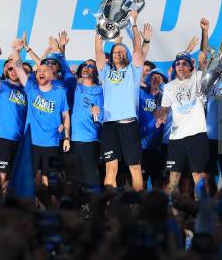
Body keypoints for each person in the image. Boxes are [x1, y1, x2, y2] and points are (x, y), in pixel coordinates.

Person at [95, 10, 144, 190]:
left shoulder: (133, 71)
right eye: (115, 50)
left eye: (121, 50)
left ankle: (140, 210)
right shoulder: (105, 71)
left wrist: (134, 23)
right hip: (109, 126)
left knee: (135, 168)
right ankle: (109, 209)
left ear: (127, 55)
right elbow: (99, 49)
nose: (118, 52)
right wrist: (100, 27)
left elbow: (138, 49)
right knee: (111, 168)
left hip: (129, 124)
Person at [11, 39, 70, 186]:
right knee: (29, 179)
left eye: (45, 70)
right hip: (31, 142)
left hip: (52, 142)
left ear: (52, 74)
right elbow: (19, 69)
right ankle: (31, 206)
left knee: (49, 180)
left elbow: (65, 115)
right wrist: (15, 51)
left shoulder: (60, 92)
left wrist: (67, 136)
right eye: (39, 71)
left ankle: (47, 207)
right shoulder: (31, 88)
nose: (41, 72)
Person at [156, 51, 209, 194]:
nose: (180, 66)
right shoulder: (169, 87)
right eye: (178, 63)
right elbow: (165, 107)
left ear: (191, 66)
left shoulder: (197, 78)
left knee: (198, 176)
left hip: (197, 135)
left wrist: (204, 32)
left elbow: (203, 57)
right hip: (176, 138)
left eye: (184, 63)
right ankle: (174, 213)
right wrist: (162, 116)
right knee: (173, 178)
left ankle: (202, 213)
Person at [71, 62, 104, 190]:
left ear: (96, 72)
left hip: (90, 139)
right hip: (74, 139)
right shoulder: (77, 86)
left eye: (91, 66)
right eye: (85, 65)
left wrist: (97, 114)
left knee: (91, 177)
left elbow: (100, 116)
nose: (86, 67)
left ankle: (94, 207)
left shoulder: (100, 91)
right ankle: (80, 207)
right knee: (76, 178)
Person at [139, 68, 167, 189]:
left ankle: (157, 207)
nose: (155, 79)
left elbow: (161, 115)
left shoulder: (165, 96)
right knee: (142, 181)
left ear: (162, 80)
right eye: (153, 76)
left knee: (158, 182)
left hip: (159, 148)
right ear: (148, 79)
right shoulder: (140, 93)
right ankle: (142, 207)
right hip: (142, 146)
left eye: (158, 77)